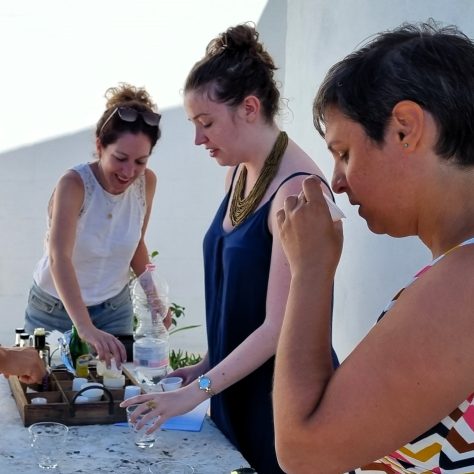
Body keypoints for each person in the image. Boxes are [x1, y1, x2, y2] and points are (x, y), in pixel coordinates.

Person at [121, 23, 339, 473]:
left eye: (206, 123)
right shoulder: (239, 174)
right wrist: (204, 364)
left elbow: (279, 327)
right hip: (232, 387)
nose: (199, 139)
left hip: (279, 401)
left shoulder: (297, 192)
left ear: (250, 108)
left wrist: (193, 391)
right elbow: (241, 303)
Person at [273, 20, 474, 473]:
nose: (338, 182)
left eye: (344, 152)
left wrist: (310, 271)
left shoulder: (465, 282)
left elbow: (303, 451)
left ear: (405, 129)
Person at [24, 83, 162, 365]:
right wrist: (84, 327)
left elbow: (136, 244)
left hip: (114, 309)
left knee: (116, 394)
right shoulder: (74, 184)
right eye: (120, 158)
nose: (129, 172)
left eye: (140, 161)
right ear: (100, 146)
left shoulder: (145, 183)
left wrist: (154, 297)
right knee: (45, 395)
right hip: (54, 309)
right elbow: (58, 256)